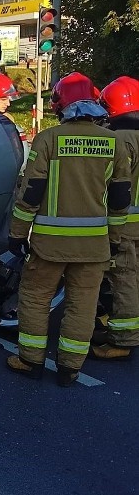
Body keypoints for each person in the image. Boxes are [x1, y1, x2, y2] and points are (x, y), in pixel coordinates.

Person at [6, 72, 132, 387]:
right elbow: (119, 201)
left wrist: (18, 233)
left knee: (35, 297)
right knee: (83, 304)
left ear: (61, 105)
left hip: (50, 245)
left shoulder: (49, 139)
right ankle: (70, 369)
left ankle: (30, 360)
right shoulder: (115, 143)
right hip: (94, 247)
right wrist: (113, 241)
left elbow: (30, 193)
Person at [92, 76, 139, 359]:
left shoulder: (119, 140)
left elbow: (110, 185)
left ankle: (122, 340)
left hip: (124, 224)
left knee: (123, 279)